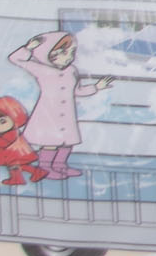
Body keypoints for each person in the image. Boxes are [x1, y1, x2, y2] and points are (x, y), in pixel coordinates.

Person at [10, 31, 106, 182]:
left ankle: (60, 165)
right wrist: (28, 47)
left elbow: (77, 91)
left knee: (67, 141)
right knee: (50, 142)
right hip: (48, 111)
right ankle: (45, 167)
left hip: (67, 112)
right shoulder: (40, 69)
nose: (67, 57)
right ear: (46, 53)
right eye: (61, 53)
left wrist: (96, 87)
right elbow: (16, 59)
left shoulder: (71, 70)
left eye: (71, 52)